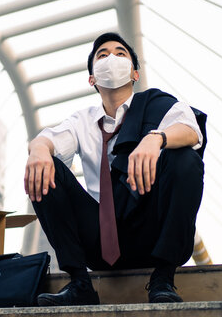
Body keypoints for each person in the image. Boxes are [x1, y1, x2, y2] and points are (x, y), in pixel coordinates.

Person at [24, 32, 206, 306]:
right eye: (103, 54)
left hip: (149, 231)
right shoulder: (82, 121)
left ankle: (163, 278)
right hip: (99, 239)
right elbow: (49, 139)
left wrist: (156, 138)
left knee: (185, 159)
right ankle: (79, 283)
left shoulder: (155, 104)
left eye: (121, 54)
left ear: (134, 73)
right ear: (92, 78)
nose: (111, 58)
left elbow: (191, 130)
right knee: (45, 170)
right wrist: (38, 149)